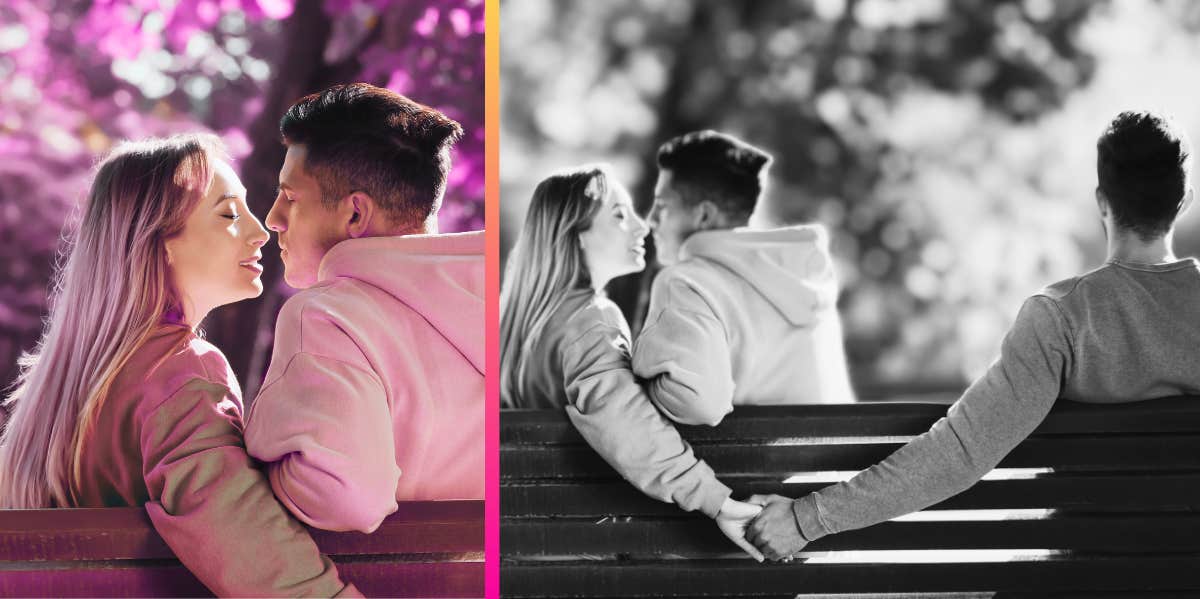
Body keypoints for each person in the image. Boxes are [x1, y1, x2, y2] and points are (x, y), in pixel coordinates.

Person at [746, 110, 1200, 561]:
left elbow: (959, 453)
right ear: (1184, 201)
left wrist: (807, 518)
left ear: (1103, 202)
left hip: (1083, 575)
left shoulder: (1063, 316)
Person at [0, 134, 356, 596]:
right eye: (229, 214)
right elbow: (246, 541)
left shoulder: (65, 384)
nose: (260, 231)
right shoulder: (182, 373)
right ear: (159, 241)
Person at [243, 84, 484, 534]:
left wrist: (259, 470)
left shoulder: (328, 317)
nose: (273, 218)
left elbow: (345, 499)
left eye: (291, 197)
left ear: (355, 215)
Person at [500, 165, 764, 560]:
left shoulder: (515, 327)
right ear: (575, 236)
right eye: (620, 215)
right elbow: (625, 421)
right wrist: (718, 502)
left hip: (526, 551)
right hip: (583, 557)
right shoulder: (591, 319)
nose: (641, 228)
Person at [633, 130, 856, 427]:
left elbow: (698, 405)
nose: (651, 220)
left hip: (741, 471)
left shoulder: (686, 282)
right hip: (830, 469)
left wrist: (637, 383)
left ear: (704, 216)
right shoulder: (805, 274)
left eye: (662, 206)